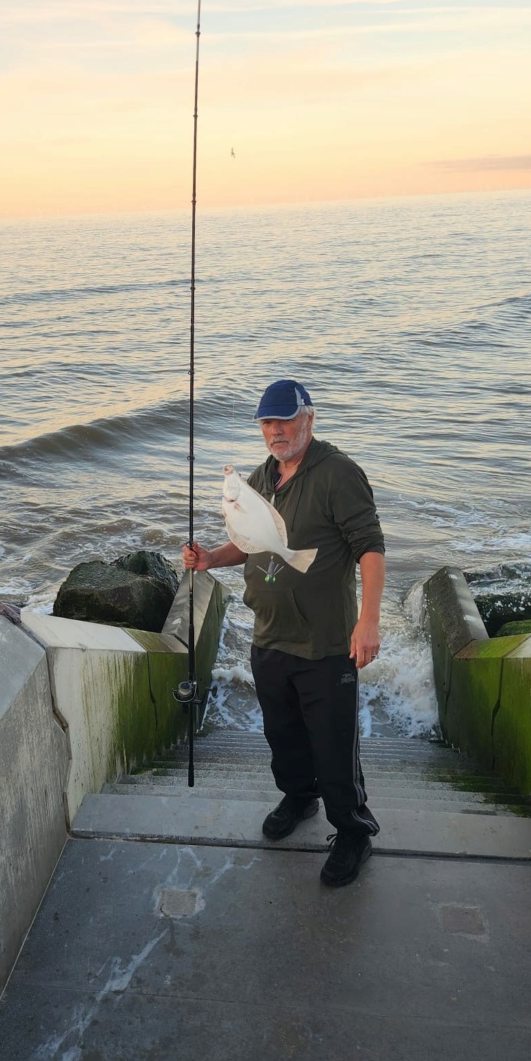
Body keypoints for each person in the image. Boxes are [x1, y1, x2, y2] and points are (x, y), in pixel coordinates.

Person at [183, 378, 385, 887]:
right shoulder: (260, 477)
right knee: (283, 735)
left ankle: (353, 832)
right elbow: (251, 541)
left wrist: (369, 620)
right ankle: (298, 796)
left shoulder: (338, 474)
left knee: (334, 744)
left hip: (325, 644)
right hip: (269, 636)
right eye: (267, 423)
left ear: (308, 419)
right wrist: (211, 557)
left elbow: (371, 548)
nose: (275, 431)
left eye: (285, 420)